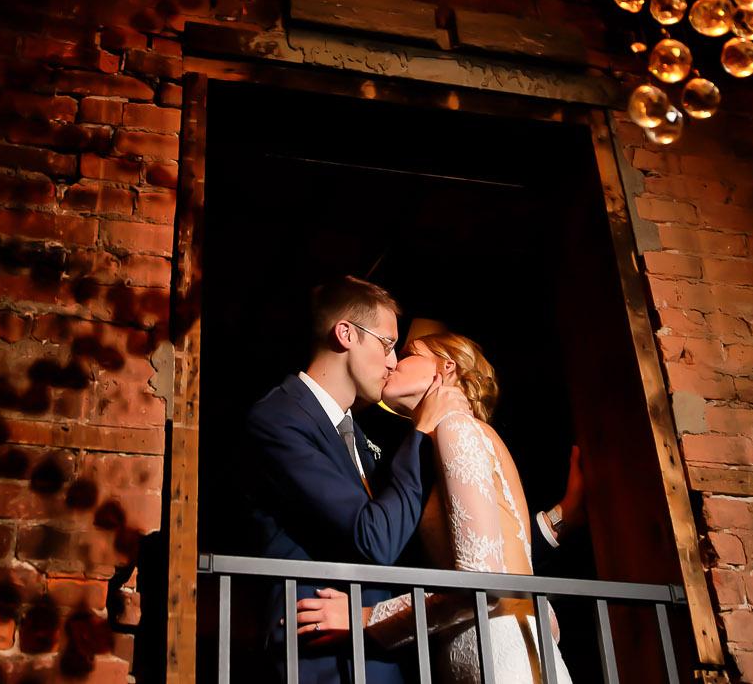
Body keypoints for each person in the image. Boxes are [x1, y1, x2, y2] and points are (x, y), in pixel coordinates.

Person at [294, 333, 573, 684]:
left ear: (446, 366)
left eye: (409, 353)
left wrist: (363, 617)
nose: (393, 362)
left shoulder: (456, 428)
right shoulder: (460, 437)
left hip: (500, 661)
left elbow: (482, 584)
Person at [240, 276, 470, 684]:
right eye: (386, 343)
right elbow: (374, 537)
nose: (391, 360)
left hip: (379, 659)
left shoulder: (364, 436)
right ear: (345, 334)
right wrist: (421, 436)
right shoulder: (279, 420)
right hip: (317, 660)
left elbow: (428, 540)